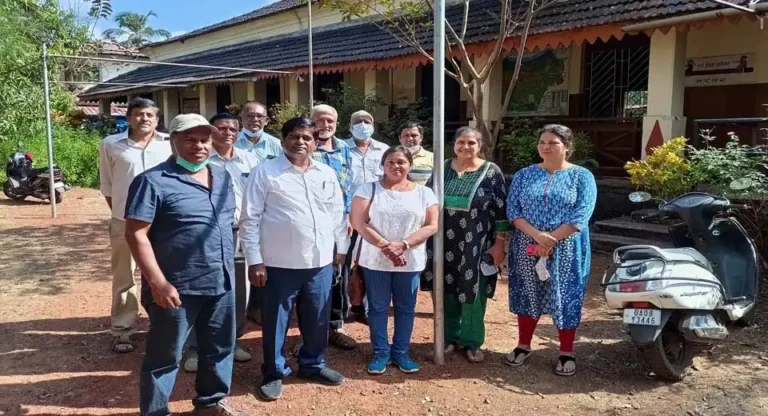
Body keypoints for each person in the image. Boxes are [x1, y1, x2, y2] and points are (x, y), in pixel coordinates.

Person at [124, 114, 246, 416]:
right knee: (165, 355)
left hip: (222, 282)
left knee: (219, 348)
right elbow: (135, 233)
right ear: (173, 140)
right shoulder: (152, 181)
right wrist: (158, 282)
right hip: (176, 287)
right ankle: (154, 411)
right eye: (190, 139)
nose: (199, 146)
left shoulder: (222, 177)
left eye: (204, 139)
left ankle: (211, 402)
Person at [240, 117, 348, 401]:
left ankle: (313, 364)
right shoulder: (265, 172)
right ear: (284, 139)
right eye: (294, 136)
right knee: (277, 321)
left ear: (316, 142)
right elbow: (249, 218)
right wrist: (255, 260)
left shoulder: (325, 173)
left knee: (318, 318)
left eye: (307, 137)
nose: (300, 142)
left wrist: (341, 249)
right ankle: (274, 372)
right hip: (278, 263)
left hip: (320, 261)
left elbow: (338, 214)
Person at [504, 124, 597, 377]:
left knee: (565, 295)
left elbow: (582, 213)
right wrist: (537, 236)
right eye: (542, 142)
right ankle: (523, 346)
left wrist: (551, 240)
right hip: (527, 244)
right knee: (527, 292)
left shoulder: (582, 176)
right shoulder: (524, 175)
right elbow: (513, 211)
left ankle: (566, 351)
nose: (545, 147)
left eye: (553, 143)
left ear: (567, 146)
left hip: (567, 247)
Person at [421, 127, 508, 363]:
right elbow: (427, 201)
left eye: (471, 143)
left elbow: (500, 211)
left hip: (476, 242)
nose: (465, 147)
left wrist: (499, 244)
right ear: (454, 144)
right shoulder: (442, 168)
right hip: (442, 242)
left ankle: (471, 341)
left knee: (473, 290)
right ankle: (449, 337)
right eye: (461, 142)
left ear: (480, 146)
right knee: (444, 289)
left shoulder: (491, 172)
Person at [351, 146, 438, 374]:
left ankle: (401, 352)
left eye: (401, 162)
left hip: (409, 261)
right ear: (383, 165)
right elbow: (359, 222)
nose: (396, 166)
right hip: (375, 260)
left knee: (406, 307)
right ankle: (380, 352)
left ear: (409, 165)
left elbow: (432, 225)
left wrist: (403, 245)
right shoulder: (368, 189)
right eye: (390, 162)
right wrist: (385, 246)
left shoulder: (424, 193)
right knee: (378, 308)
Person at [183, 113, 259, 372]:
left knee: (238, 290)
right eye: (222, 128)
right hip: (206, 233)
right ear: (212, 131)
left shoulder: (250, 159)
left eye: (233, 129)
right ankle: (193, 347)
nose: (228, 132)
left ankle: (231, 341)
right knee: (200, 288)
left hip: (241, 232)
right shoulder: (200, 160)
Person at [98, 97, 171, 354]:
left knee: (161, 274)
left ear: (157, 120)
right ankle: (122, 329)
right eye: (139, 114)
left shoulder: (168, 144)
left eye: (150, 115)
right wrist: (122, 214)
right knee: (124, 276)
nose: (145, 119)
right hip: (124, 222)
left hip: (162, 223)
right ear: (128, 118)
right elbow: (107, 186)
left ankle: (162, 325)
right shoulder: (111, 144)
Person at [309, 104, 357, 350]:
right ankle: (310, 331)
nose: (325, 125)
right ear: (312, 121)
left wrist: (349, 215)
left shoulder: (345, 149)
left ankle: (336, 326)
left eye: (330, 121)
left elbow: (348, 185)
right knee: (312, 274)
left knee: (339, 274)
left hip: (339, 223)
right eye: (320, 120)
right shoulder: (305, 146)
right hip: (310, 224)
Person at [234, 101, 282, 326]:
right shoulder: (231, 142)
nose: (255, 120)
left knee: (267, 262)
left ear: (266, 120)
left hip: (270, 213)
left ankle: (258, 307)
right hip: (238, 213)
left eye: (259, 116)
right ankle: (238, 315)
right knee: (242, 265)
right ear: (241, 118)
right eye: (250, 115)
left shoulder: (276, 146)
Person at [344, 109, 389, 323]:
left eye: (367, 121)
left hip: (377, 218)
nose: (363, 125)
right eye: (358, 121)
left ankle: (370, 308)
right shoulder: (342, 149)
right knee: (345, 260)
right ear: (350, 126)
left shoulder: (384, 150)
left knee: (374, 261)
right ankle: (348, 306)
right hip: (349, 217)